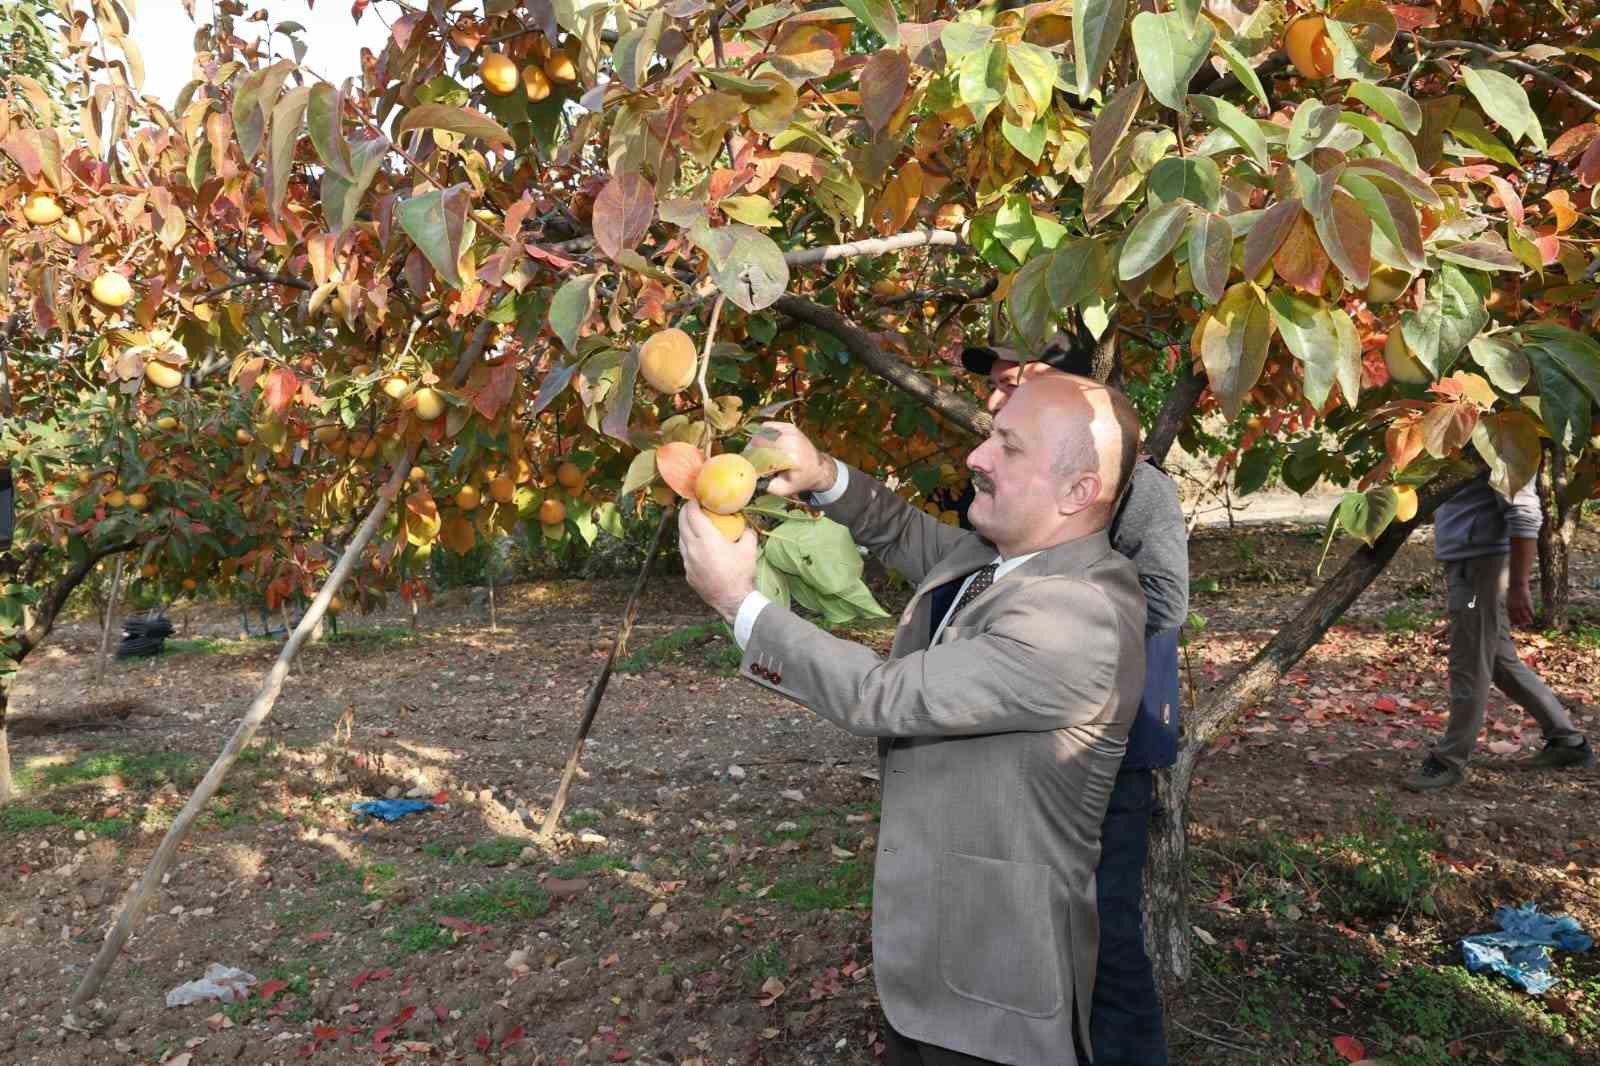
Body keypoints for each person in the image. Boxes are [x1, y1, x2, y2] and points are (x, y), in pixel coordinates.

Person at [679, 374, 1147, 1066]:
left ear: (1077, 492)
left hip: (994, 997)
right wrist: (821, 475)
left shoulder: (1080, 616)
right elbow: (899, 530)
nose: (977, 458)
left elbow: (880, 693)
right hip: (934, 968)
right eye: (991, 436)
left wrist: (738, 603)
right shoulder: (1004, 560)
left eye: (1008, 448)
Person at [960, 333, 1187, 1066]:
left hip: (1102, 739)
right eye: (994, 385)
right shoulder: (1007, 475)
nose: (997, 398)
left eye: (1014, 382)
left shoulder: (1136, 485)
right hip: (1024, 731)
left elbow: (1166, 598)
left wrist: (1053, 623)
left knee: (1105, 932)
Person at [1404, 475, 1593, 791]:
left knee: (1469, 661)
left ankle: (1449, 761)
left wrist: (1519, 585)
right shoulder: (1462, 439)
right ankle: (1567, 743)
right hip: (1471, 561)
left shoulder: (1501, 438)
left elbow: (1524, 512)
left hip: (1480, 567)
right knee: (1497, 660)